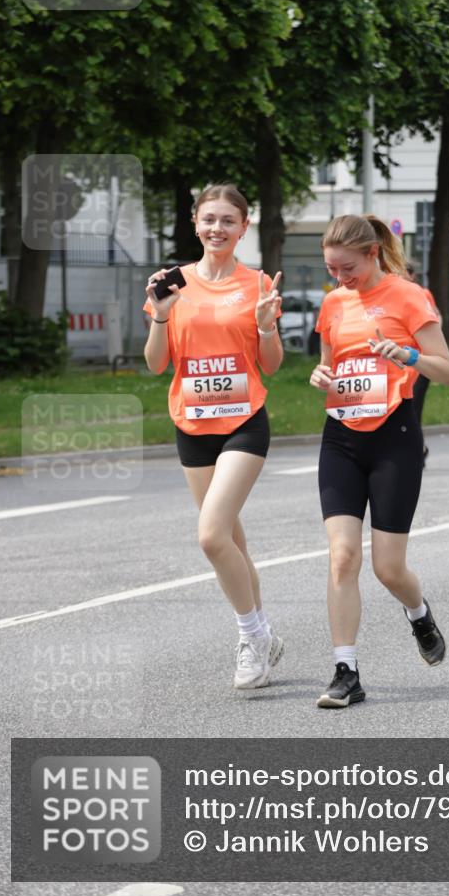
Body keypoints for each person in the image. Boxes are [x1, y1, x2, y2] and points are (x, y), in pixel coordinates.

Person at [310, 214, 449, 708]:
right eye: (332, 269)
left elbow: (448, 371)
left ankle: (418, 613)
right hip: (341, 440)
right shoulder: (333, 304)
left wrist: (407, 357)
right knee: (342, 556)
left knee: (388, 569)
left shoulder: (407, 296)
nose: (340, 279)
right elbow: (331, 365)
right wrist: (322, 378)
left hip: (394, 437)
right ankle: (345, 671)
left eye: (347, 268)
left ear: (372, 254)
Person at [143, 183, 285, 688]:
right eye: (209, 219)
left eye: (228, 221)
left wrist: (267, 327)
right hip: (192, 424)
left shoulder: (257, 284)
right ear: (194, 222)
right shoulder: (171, 283)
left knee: (210, 536)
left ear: (244, 227)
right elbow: (157, 363)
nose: (217, 229)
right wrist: (160, 315)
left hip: (244, 420)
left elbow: (270, 365)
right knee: (231, 541)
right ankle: (265, 634)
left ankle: (250, 637)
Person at [405, 261, 439, 466]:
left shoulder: (421, 293)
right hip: (399, 364)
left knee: (413, 408)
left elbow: (435, 320)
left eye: (403, 272)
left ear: (411, 274)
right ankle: (418, 449)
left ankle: (417, 452)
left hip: (420, 362)